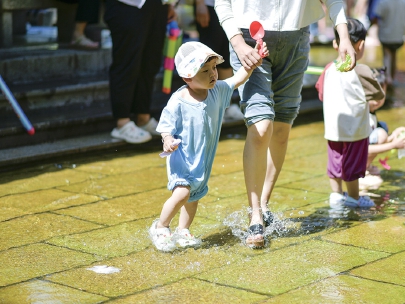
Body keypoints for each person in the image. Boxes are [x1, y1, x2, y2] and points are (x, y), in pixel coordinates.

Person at [214, 0, 356, 248]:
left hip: (295, 38)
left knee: (280, 129)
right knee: (261, 126)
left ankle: (264, 203)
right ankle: (255, 214)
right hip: (248, 38)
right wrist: (237, 43)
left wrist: (343, 35)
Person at [148, 41, 268, 252]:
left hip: (202, 160)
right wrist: (167, 139)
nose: (213, 74)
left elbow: (238, 78)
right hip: (182, 158)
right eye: (205, 70)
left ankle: (183, 230)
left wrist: (252, 63)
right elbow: (165, 126)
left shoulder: (217, 91)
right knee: (182, 193)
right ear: (187, 77)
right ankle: (161, 226)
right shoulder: (178, 101)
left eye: (213, 68)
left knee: (194, 196)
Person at [315, 18, 384, 208]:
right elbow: (378, 96)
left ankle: (336, 196)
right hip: (355, 130)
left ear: (335, 43)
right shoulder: (361, 70)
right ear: (361, 45)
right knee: (353, 166)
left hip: (333, 127)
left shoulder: (328, 69)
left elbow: (321, 92)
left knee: (335, 162)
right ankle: (354, 198)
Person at [105, 0, 175, 144]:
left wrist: (170, 4)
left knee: (150, 62)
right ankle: (122, 122)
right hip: (127, 5)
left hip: (157, 5)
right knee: (127, 60)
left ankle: (143, 117)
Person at [193, 0, 243, 122]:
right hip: (210, 7)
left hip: (233, 9)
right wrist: (200, 3)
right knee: (208, 61)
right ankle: (208, 107)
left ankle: (226, 105)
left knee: (226, 60)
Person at [371, 0, 405, 87]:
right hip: (399, 37)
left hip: (385, 36)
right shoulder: (404, 2)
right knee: (394, 56)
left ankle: (387, 79)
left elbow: (375, 17)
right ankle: (392, 77)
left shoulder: (383, 2)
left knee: (387, 56)